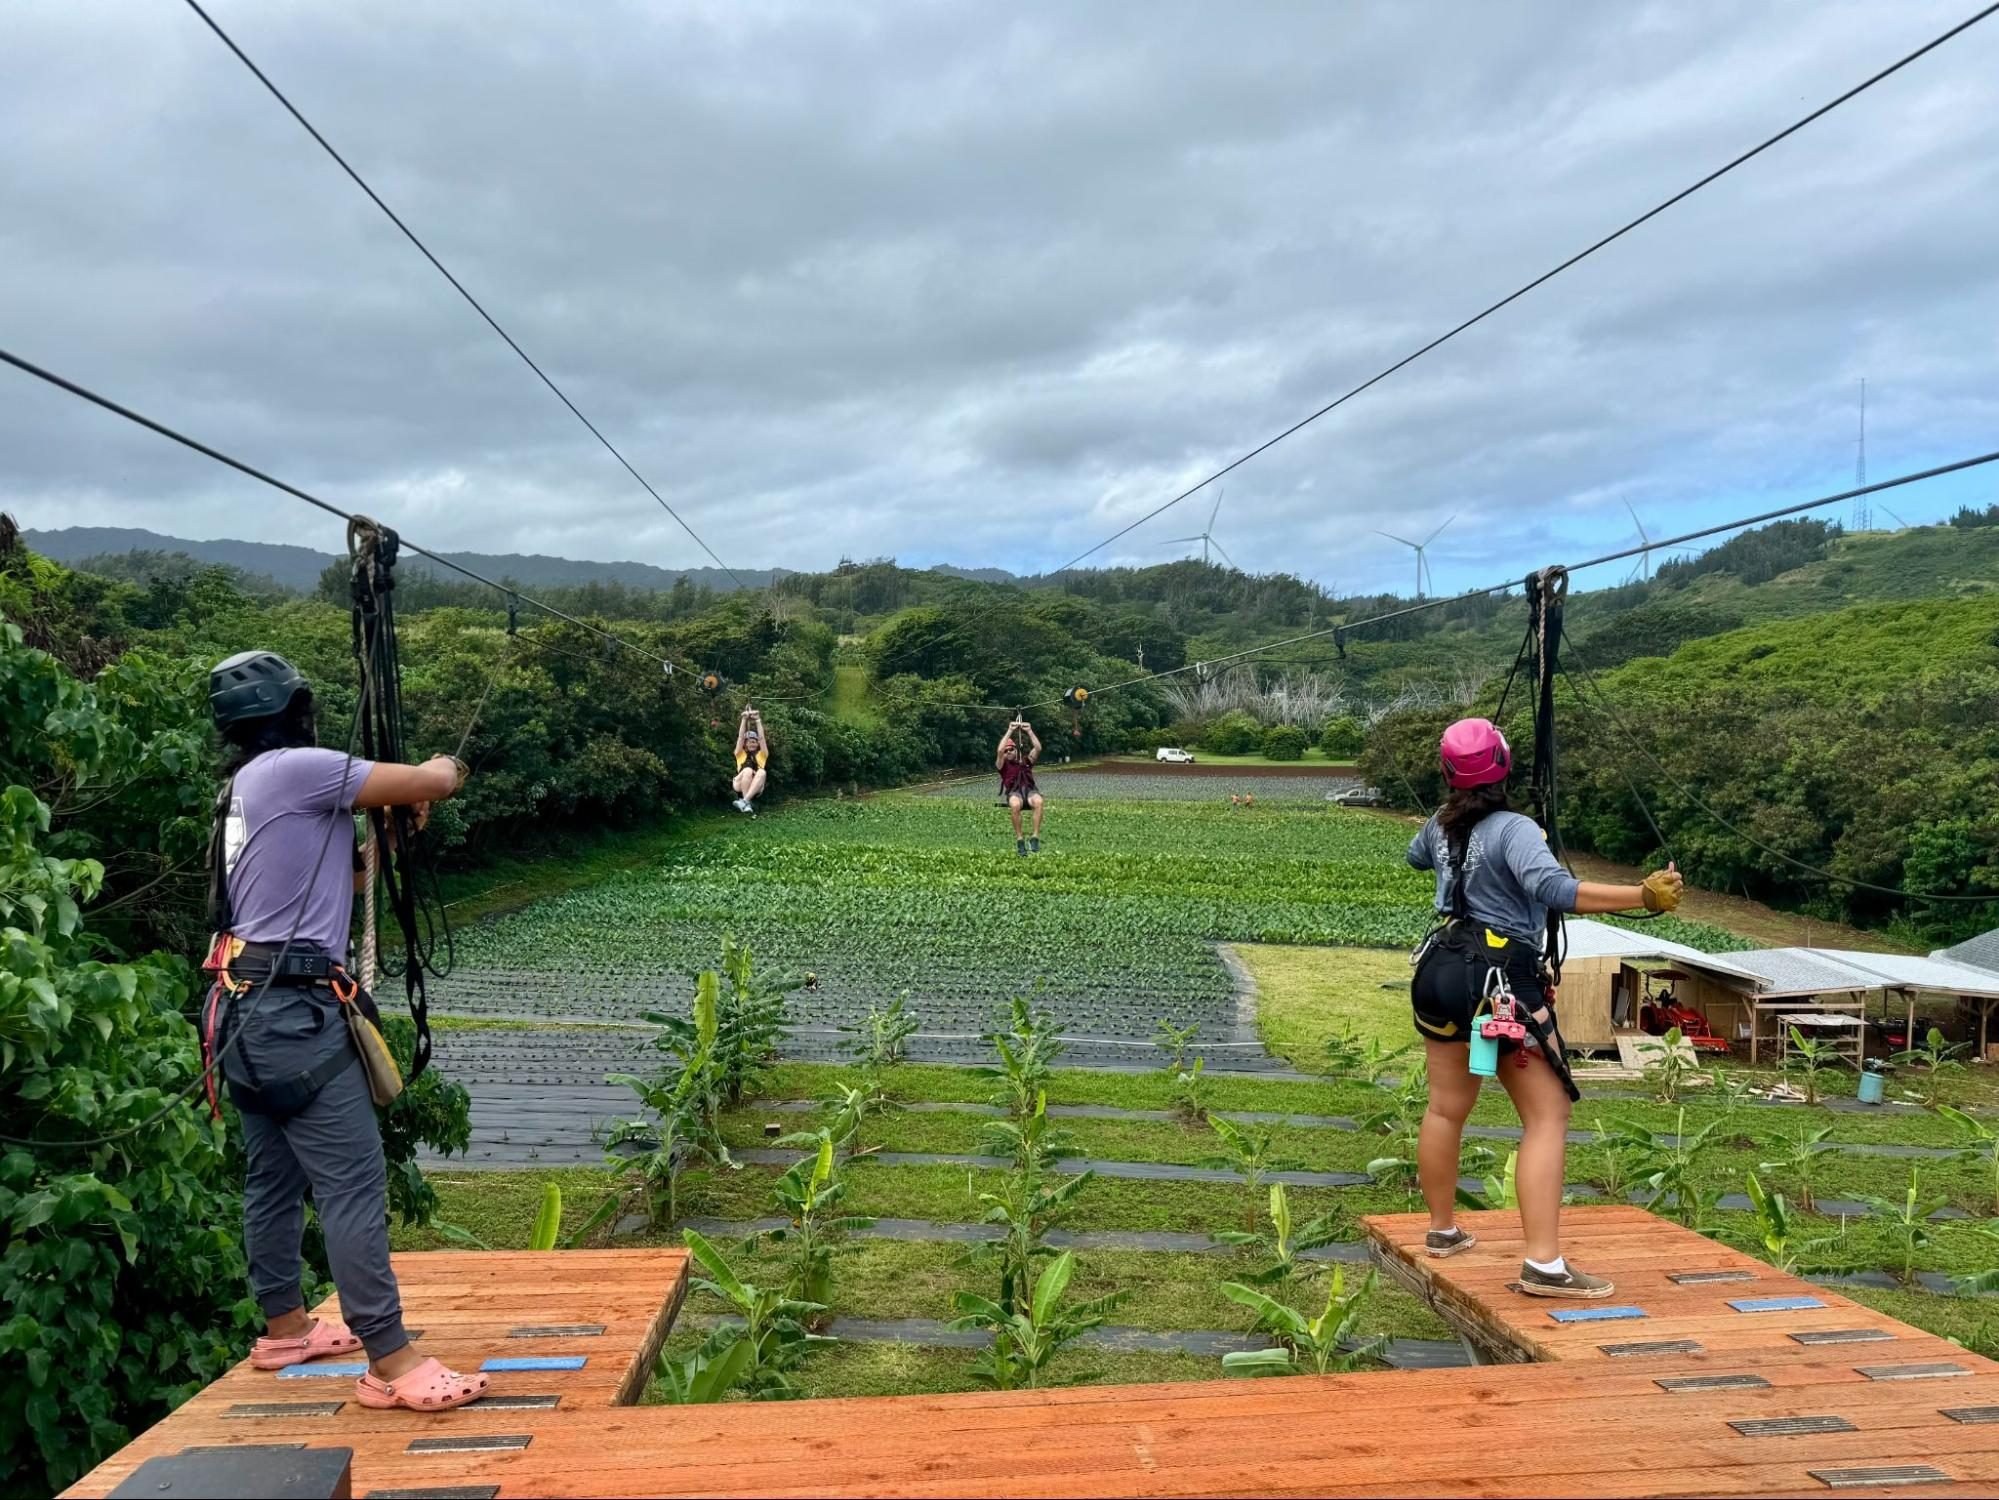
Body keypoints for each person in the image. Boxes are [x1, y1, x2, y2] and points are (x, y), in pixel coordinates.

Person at [205, 649, 488, 1411]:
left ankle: (286, 1327)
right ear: (296, 707)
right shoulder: (300, 768)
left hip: (245, 1004)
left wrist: (387, 841)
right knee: (352, 1184)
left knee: (273, 1176)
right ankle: (392, 1363)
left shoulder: (243, 788)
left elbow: (330, 876)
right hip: (295, 1010)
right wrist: (446, 764)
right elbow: (433, 779)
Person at [1405, 716, 1684, 1299]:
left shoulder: (1439, 825)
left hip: (1440, 965)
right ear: (1504, 765)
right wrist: (1643, 895)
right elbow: (1557, 891)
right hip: (1500, 977)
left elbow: (1417, 858)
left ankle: (1442, 1230)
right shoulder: (1515, 829)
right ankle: (1544, 1266)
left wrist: (1456, 833)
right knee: (1548, 1113)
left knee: (1446, 1106)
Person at [997, 719, 1044, 855]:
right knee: (1015, 805)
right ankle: (1020, 839)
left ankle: (1035, 836)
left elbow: (1038, 748)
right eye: (1006, 751)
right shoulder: (1003, 765)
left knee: (1039, 801)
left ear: (1016, 749)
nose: (1008, 753)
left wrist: (1029, 731)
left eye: (1010, 749)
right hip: (1014, 792)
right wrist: (1010, 730)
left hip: (1029, 790)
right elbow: (999, 751)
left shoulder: (1026, 760)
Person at [732, 708, 769, 814]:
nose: (751, 744)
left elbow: (762, 739)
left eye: (754, 742)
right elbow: (740, 738)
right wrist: (744, 719)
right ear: (745, 744)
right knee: (748, 770)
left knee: (762, 771)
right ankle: (746, 802)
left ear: (757, 744)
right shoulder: (740, 754)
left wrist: (758, 720)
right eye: (749, 742)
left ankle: (744, 802)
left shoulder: (762, 755)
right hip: (739, 783)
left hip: (756, 785)